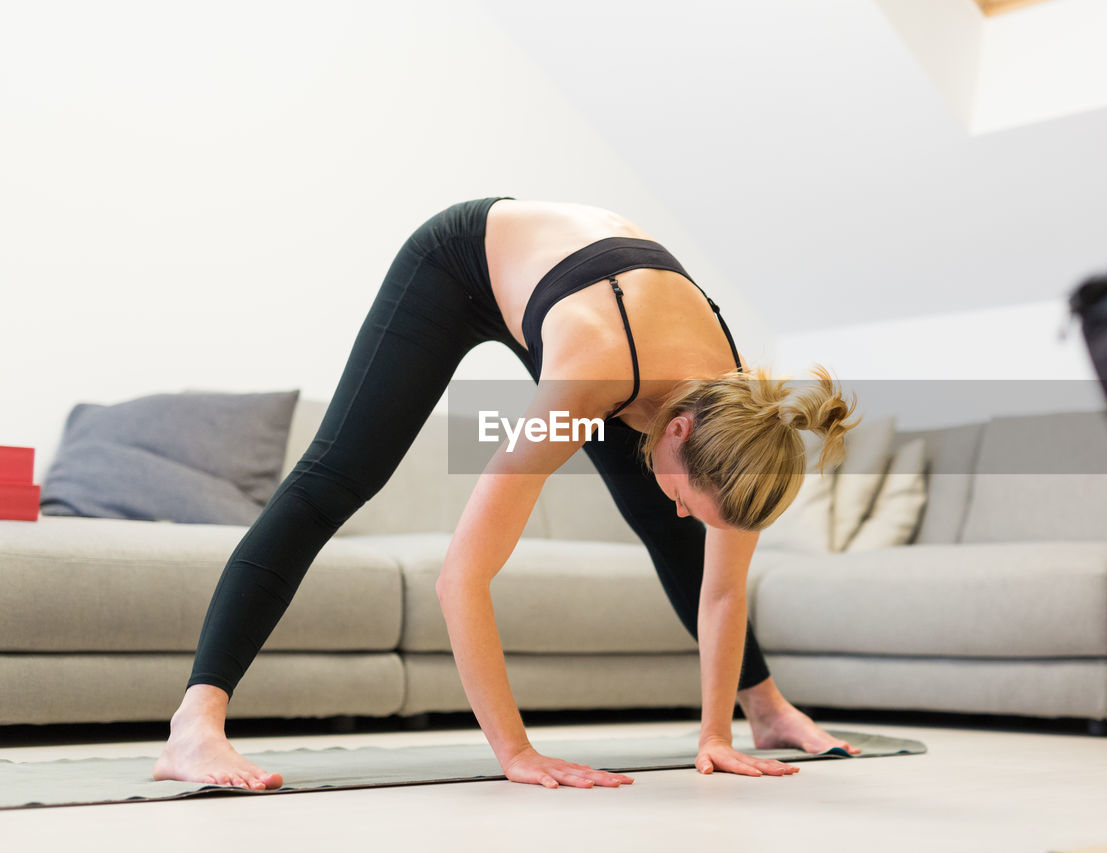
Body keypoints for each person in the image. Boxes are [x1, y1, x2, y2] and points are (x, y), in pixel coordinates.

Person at [152, 197, 861, 791]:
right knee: (337, 478)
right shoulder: (590, 375)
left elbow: (724, 589)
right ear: (677, 429)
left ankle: (763, 708)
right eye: (686, 488)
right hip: (463, 265)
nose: (684, 503)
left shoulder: (743, 423)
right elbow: (461, 576)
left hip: (605, 305)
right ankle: (193, 727)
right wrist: (516, 752)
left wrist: (716, 735)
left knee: (672, 527)